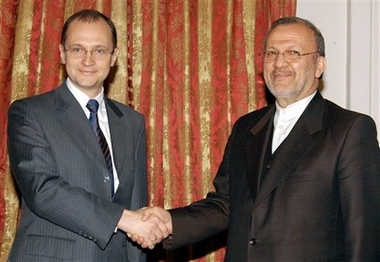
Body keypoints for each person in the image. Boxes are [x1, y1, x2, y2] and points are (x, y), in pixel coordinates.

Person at [136, 16, 380, 261]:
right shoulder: (247, 127)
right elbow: (226, 204)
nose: (279, 63)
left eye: (293, 52)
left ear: (319, 66)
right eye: (271, 53)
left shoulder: (349, 129)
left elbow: (364, 234)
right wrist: (169, 223)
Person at [7, 9, 169, 261]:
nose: (88, 60)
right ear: (62, 53)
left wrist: (141, 228)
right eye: (78, 49)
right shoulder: (29, 112)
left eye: (99, 50)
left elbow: (135, 204)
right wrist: (125, 220)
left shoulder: (132, 122)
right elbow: (43, 191)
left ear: (114, 57)